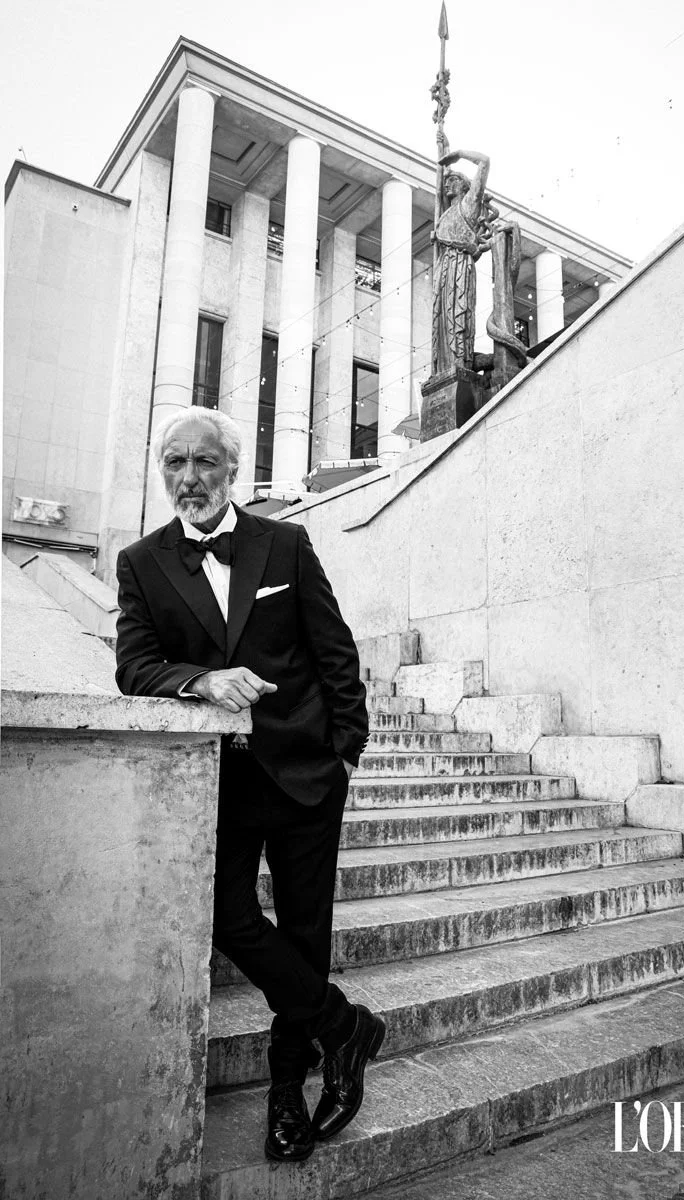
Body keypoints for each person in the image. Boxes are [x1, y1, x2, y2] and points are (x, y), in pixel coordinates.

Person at [114, 406, 382, 1164]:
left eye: (204, 462)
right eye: (175, 463)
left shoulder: (284, 543)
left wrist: (346, 750)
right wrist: (201, 679)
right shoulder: (141, 562)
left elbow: (334, 650)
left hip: (306, 771)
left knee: (304, 932)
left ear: (233, 470)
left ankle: (287, 1091)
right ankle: (343, 1026)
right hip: (223, 782)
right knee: (229, 919)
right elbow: (134, 666)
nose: (189, 478)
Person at [432, 148, 490, 375]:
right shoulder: (446, 214)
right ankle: (444, 368)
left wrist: (459, 154)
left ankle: (460, 362)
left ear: (465, 186)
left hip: (459, 265)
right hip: (445, 267)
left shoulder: (469, 205)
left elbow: (484, 161)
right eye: (447, 180)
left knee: (458, 313)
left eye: (453, 179)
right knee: (442, 318)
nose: (447, 183)